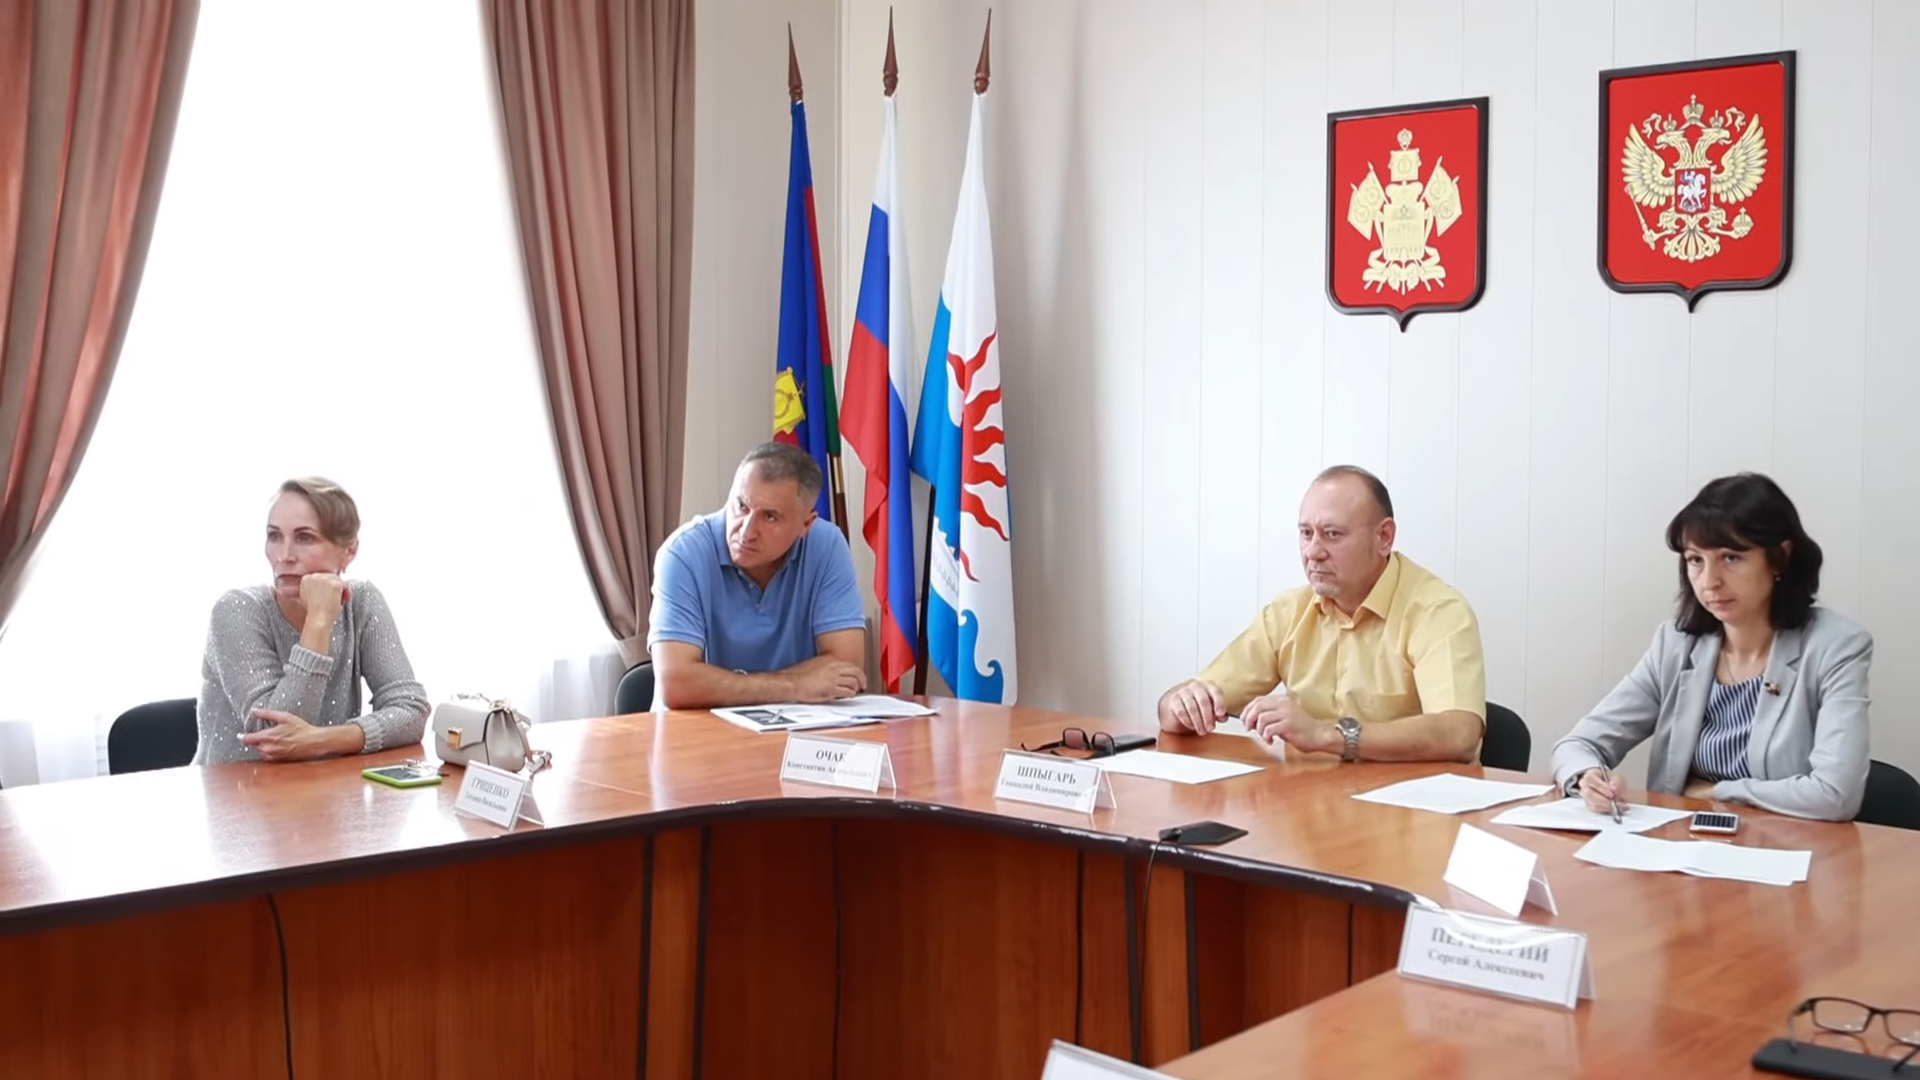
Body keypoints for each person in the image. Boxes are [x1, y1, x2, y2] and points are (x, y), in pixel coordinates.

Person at [1553, 473, 1872, 822]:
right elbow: (1578, 745)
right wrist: (1587, 777)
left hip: (1783, 845)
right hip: (1680, 843)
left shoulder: (1836, 647)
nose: (1709, 581)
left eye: (1731, 558)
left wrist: (1719, 792)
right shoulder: (1676, 644)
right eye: (1695, 560)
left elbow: (1836, 795)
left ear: (1779, 558)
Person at [1157, 465, 1487, 762]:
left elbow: (1459, 733)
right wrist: (1179, 705)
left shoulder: (1437, 611)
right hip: (1311, 801)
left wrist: (1327, 735)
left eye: (1332, 534)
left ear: (1384, 537)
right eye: (1306, 533)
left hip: (1411, 804)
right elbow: (1185, 700)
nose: (1313, 552)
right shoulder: (1289, 612)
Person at [195, 477, 429, 765]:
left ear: (349, 551)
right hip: (239, 790)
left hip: (324, 787)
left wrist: (320, 740)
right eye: (274, 536)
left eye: (304, 538)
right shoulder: (236, 610)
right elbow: (273, 735)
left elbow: (411, 710)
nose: (284, 556)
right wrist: (318, 620)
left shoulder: (362, 602)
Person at [648, 442, 867, 709]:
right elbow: (677, 684)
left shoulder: (827, 546)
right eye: (741, 506)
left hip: (795, 727)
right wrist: (795, 685)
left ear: (806, 524)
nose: (746, 532)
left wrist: (726, 685)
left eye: (770, 517)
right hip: (699, 729)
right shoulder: (683, 554)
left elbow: (846, 668)